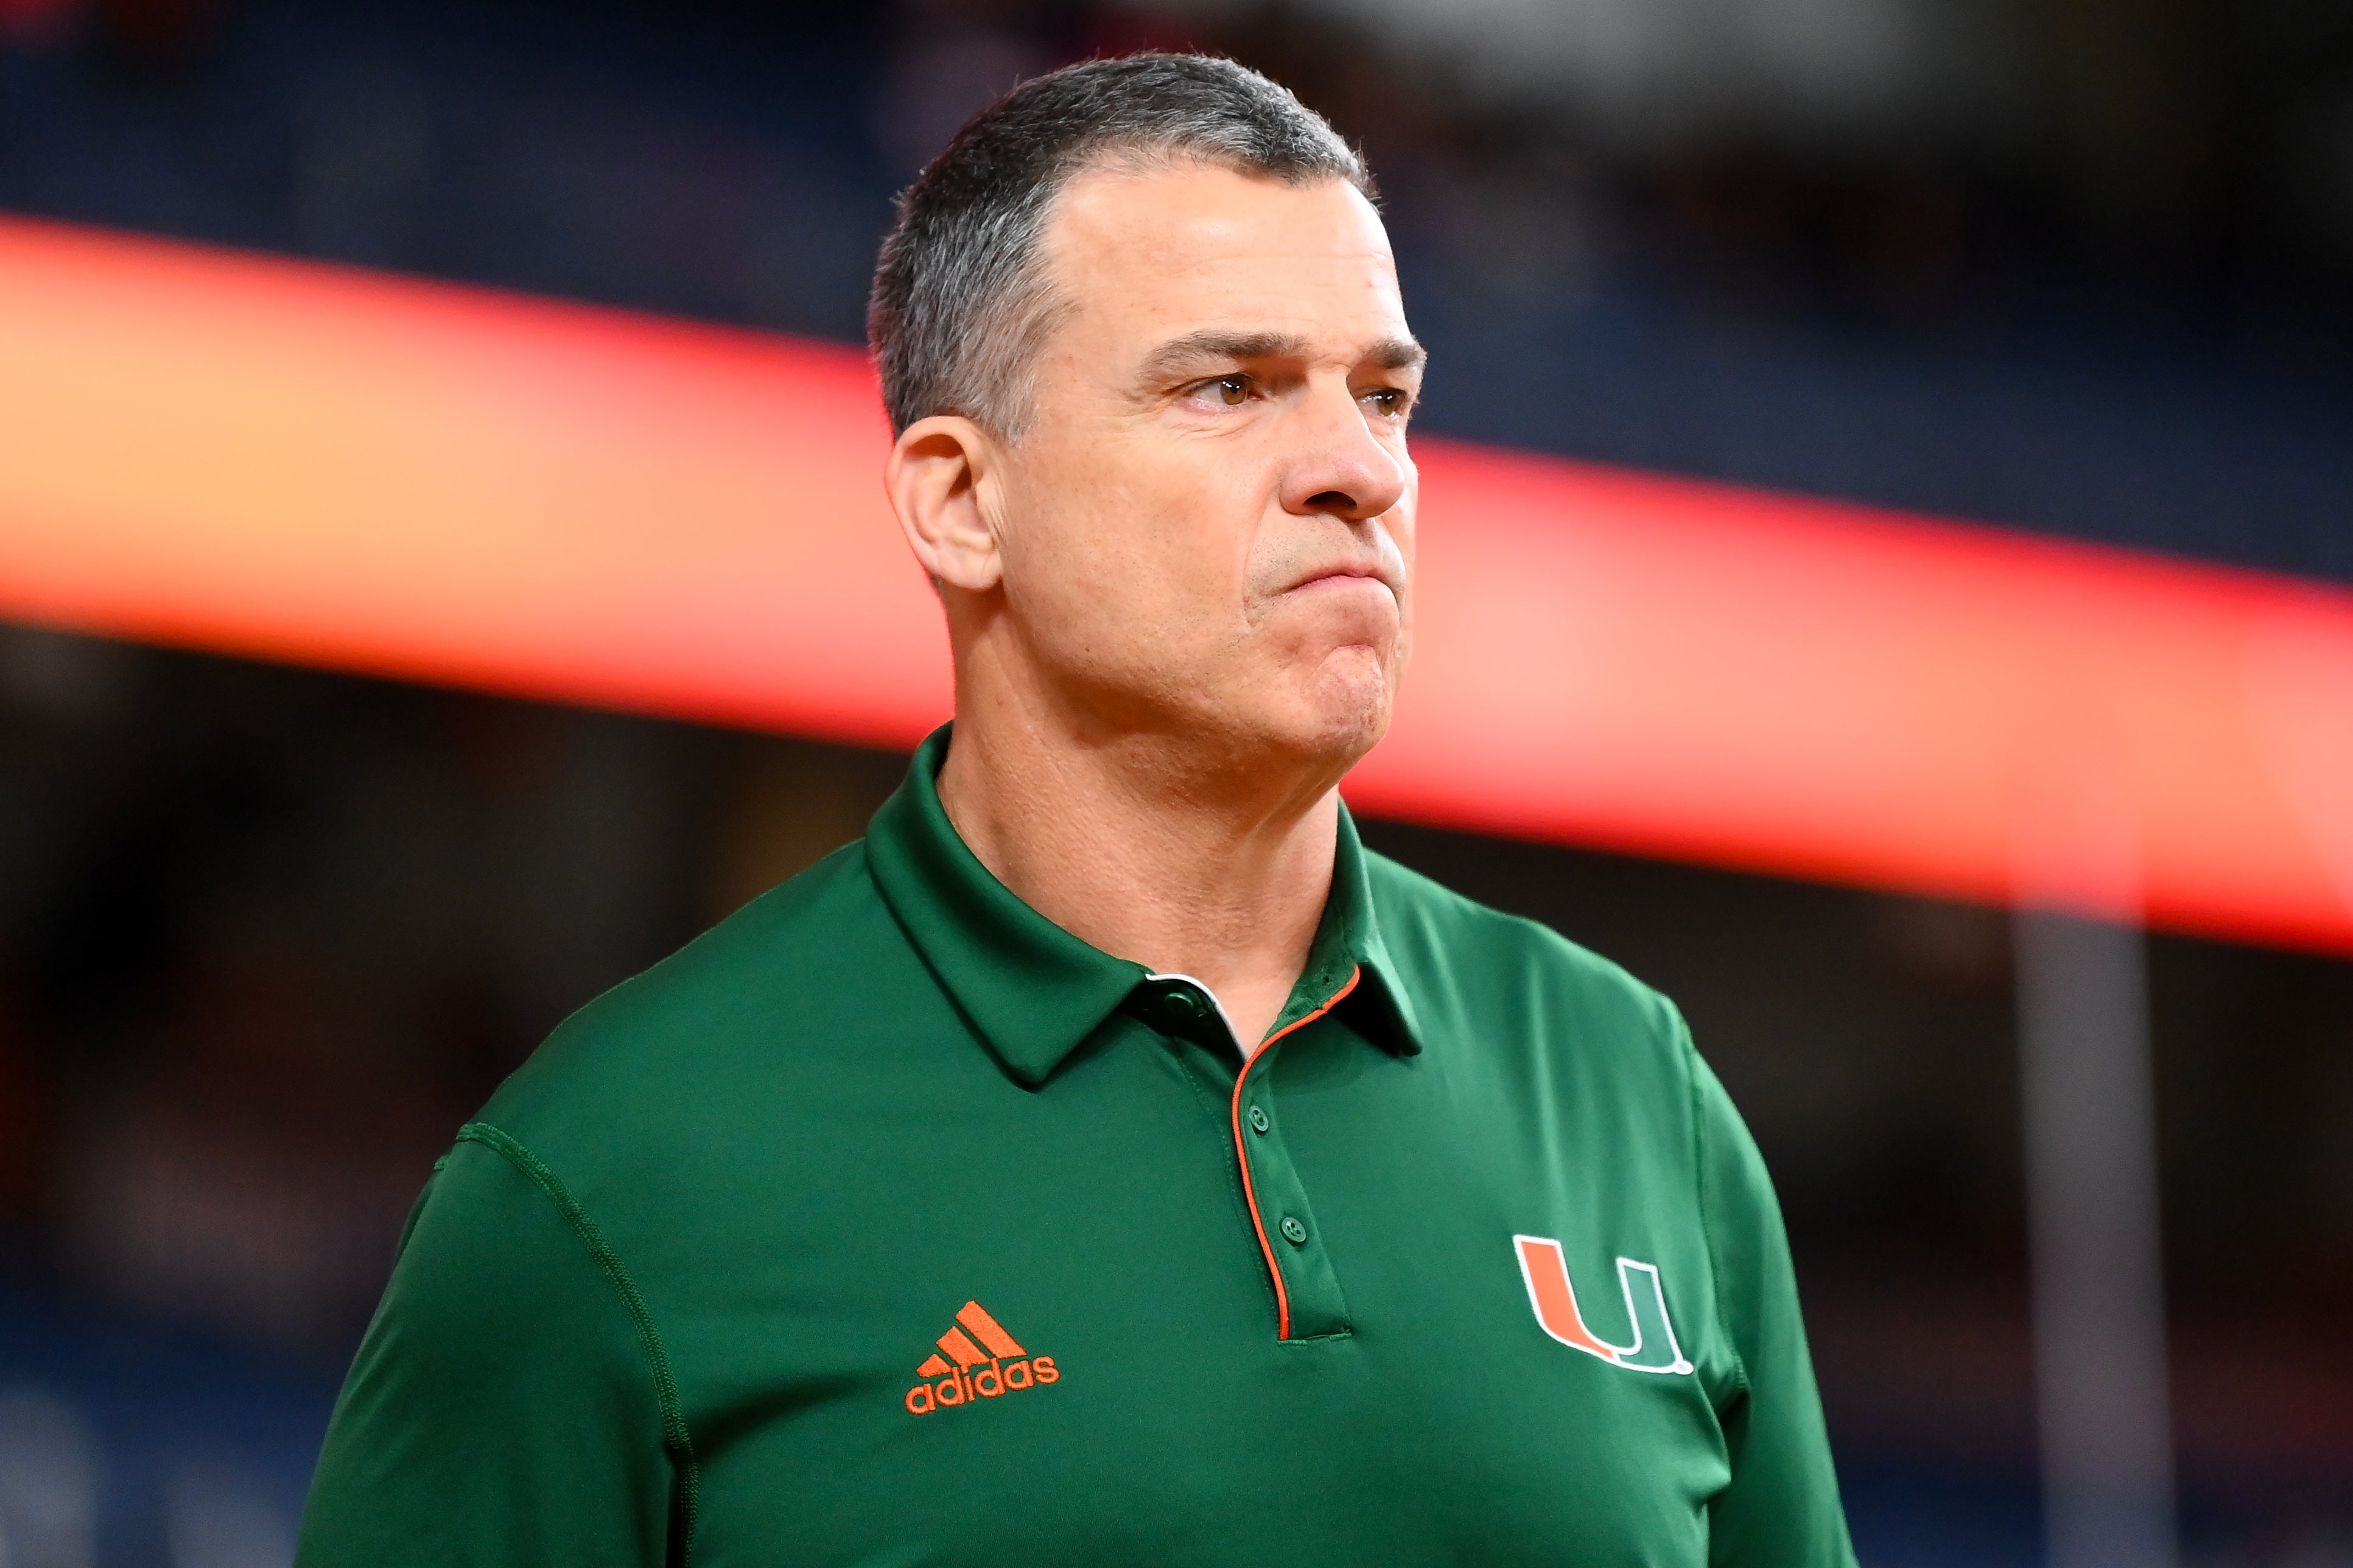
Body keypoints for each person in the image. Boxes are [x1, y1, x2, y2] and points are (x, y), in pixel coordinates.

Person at [296, 53, 1856, 1567]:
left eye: (1383, 397)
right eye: (1228, 386)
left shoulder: (1630, 1088)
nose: (1357, 472)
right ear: (963, 501)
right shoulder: (610, 1181)